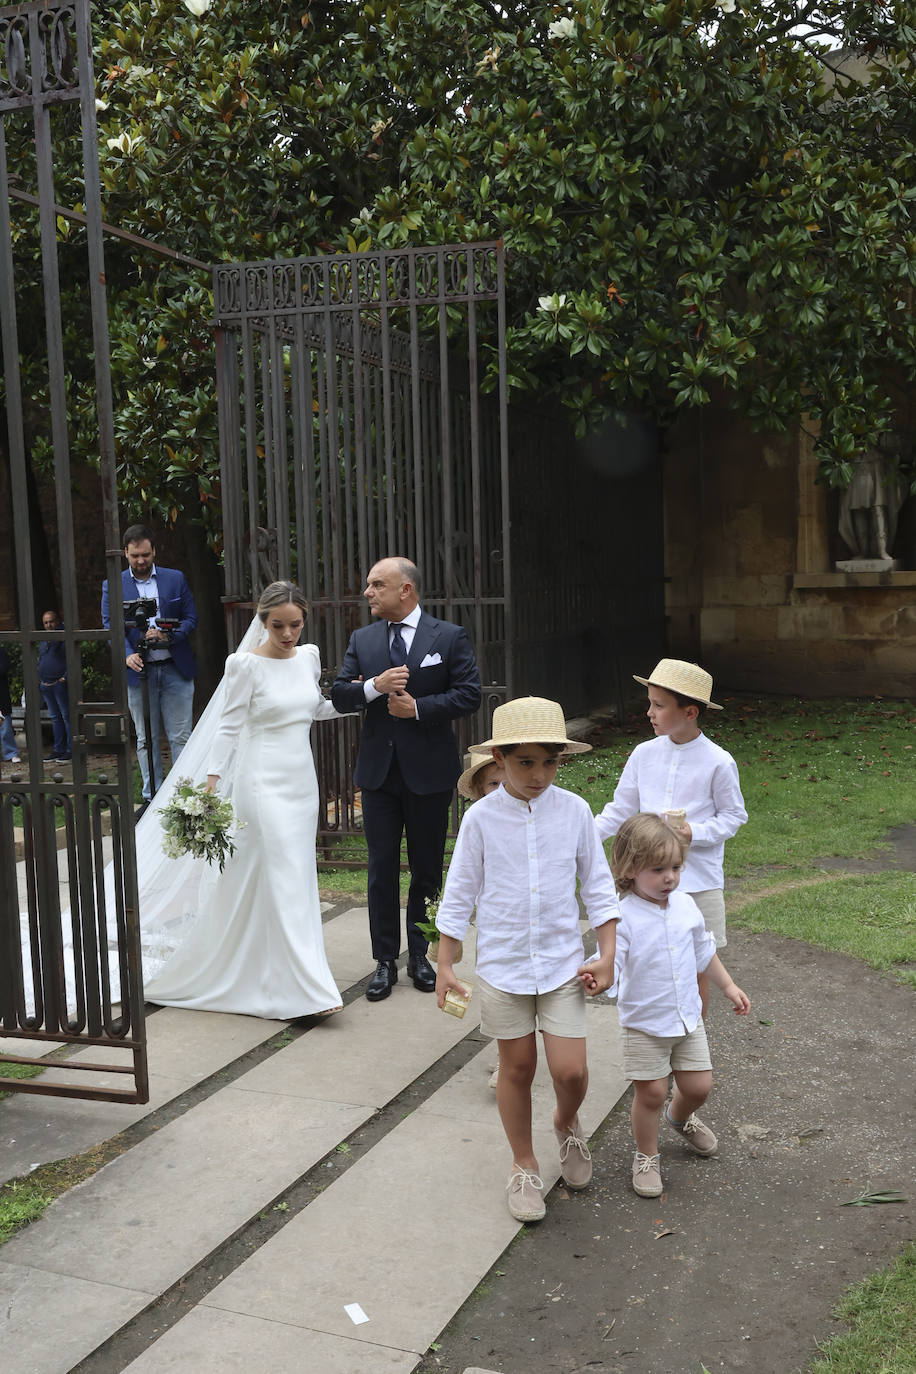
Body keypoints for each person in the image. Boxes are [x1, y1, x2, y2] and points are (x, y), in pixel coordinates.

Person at [434, 697, 620, 1223]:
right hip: (502, 968)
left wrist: (606, 957)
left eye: (549, 761)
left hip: (563, 966)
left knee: (571, 1069)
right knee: (517, 1067)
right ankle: (523, 1164)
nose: (539, 774)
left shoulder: (576, 811)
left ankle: (566, 1122)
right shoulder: (481, 819)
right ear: (497, 758)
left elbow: (601, 890)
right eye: (525, 762)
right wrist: (447, 965)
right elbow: (459, 895)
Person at [142, 581, 344, 1019]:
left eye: (295, 625)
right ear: (262, 620)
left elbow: (316, 709)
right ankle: (306, 990)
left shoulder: (308, 658)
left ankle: (266, 970)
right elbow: (228, 727)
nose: (288, 634)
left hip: (300, 782)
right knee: (282, 875)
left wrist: (370, 693)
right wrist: (212, 782)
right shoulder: (244, 666)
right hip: (261, 781)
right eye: (278, 625)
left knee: (290, 877)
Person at [331, 556, 481, 1001]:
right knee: (379, 870)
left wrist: (418, 708)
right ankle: (383, 961)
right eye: (369, 584)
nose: (368, 592)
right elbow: (340, 694)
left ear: (406, 590)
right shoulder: (363, 639)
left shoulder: (448, 637)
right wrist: (374, 686)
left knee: (427, 869)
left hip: (429, 773)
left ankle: (421, 955)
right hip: (378, 774)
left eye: (377, 584)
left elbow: (469, 694)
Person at [609, 813, 750, 1198]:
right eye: (658, 869)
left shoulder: (686, 905)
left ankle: (679, 1117)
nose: (669, 877)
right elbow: (612, 963)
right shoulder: (622, 917)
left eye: (675, 867)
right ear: (630, 868)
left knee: (699, 1086)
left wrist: (729, 985)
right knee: (651, 1093)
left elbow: (705, 952)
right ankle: (646, 1155)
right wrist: (598, 977)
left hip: (688, 1020)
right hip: (644, 1024)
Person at [595, 658, 746, 1015]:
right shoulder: (643, 754)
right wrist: (583, 838)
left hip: (697, 881)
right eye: (650, 703)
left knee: (697, 966)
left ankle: (692, 1045)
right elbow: (620, 809)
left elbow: (734, 816)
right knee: (646, 960)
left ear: (690, 711)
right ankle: (653, 1040)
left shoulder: (717, 761)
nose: (650, 712)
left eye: (659, 706)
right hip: (645, 880)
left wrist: (695, 831)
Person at [101, 524, 197, 802]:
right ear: (125, 554)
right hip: (138, 672)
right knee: (145, 739)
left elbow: (191, 618)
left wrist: (169, 634)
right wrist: (126, 653)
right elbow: (111, 626)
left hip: (175, 668)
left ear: (154, 551)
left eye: (145, 554)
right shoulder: (113, 585)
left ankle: (184, 798)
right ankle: (151, 798)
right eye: (134, 556)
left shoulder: (175, 579)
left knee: (181, 736)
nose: (141, 561)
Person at [38, 610, 71, 763]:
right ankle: (58, 750)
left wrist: (64, 678)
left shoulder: (63, 636)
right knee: (55, 718)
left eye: (51, 621)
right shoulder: (44, 639)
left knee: (66, 717)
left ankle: (70, 750)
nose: (49, 625)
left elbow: (72, 659)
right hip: (46, 685)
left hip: (59, 684)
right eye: (46, 623)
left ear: (57, 621)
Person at [0, 645, 20, 764]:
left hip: (1, 696)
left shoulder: (1, 651)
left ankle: (10, 753)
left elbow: (3, 668)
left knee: (6, 726)